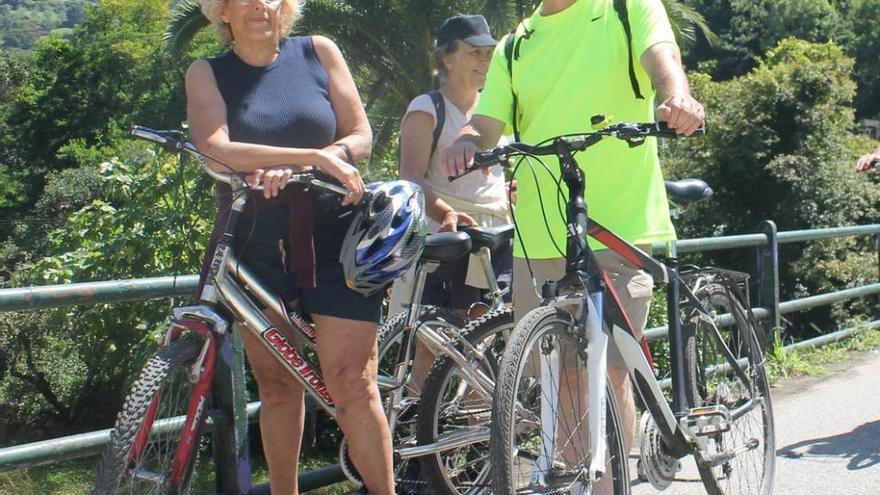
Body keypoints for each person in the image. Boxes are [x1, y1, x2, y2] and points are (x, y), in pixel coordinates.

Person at [444, 0, 705, 479]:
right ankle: (577, 482)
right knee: (560, 377)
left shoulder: (626, 9)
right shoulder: (516, 43)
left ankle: (615, 483)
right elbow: (485, 123)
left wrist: (678, 97)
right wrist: (466, 141)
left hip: (618, 222)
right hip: (541, 232)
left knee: (608, 373)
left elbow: (663, 58)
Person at [188, 1, 393, 493]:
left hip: (335, 236)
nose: (260, 5)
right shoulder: (206, 72)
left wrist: (329, 160)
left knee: (352, 383)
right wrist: (308, 157)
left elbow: (361, 135)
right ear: (224, 13)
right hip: (257, 242)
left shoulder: (318, 51)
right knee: (278, 388)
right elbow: (214, 146)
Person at [389, 15, 512, 394]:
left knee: (489, 346)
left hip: (499, 238)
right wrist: (446, 213)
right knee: (435, 346)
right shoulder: (428, 108)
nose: (485, 62)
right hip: (449, 237)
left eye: (489, 53)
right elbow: (409, 178)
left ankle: (479, 442)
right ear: (446, 59)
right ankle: (420, 442)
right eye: (474, 52)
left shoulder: (497, 111)